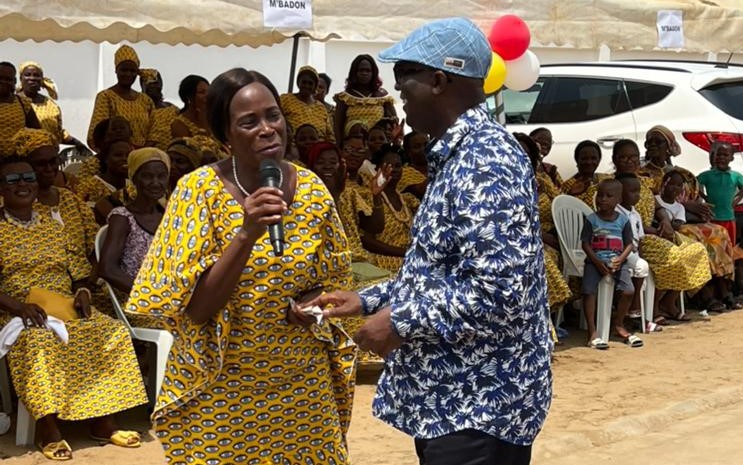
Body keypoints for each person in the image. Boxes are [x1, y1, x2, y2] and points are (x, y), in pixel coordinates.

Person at [308, 18, 551, 464]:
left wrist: (397, 319)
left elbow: (500, 291)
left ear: (440, 80)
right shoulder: (457, 154)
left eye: (406, 77)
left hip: (481, 402)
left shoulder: (486, 160)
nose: (398, 91)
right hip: (455, 398)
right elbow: (442, 271)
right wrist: (365, 300)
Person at [125, 68, 356, 464]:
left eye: (273, 115)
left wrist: (313, 304)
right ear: (225, 135)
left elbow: (333, 281)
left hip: (302, 382)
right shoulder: (198, 192)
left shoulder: (312, 188)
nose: (268, 129)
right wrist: (246, 233)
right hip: (224, 385)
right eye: (249, 122)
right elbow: (196, 310)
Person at [0, 156, 147, 460]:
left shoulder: (52, 224)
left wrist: (81, 290)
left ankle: (103, 421)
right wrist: (18, 306)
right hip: (17, 309)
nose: (23, 185)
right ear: (0, 187)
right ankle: (47, 428)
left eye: (27, 177)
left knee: (111, 332)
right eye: (12, 180)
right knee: (37, 341)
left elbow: (79, 269)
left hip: (61, 304)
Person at [581, 179, 639, 349]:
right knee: (588, 290)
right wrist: (597, 261)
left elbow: (629, 244)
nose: (603, 199)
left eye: (608, 196)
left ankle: (619, 324)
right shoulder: (591, 220)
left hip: (617, 262)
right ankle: (592, 331)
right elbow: (585, 243)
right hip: (595, 261)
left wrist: (621, 259)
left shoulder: (623, 221)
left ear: (619, 200)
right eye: (600, 195)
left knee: (629, 291)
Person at [360, 144, 419, 272]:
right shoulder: (368, 198)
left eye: (398, 166)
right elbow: (366, 240)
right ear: (378, 168)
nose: (395, 169)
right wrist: (402, 252)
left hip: (410, 258)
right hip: (385, 261)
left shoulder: (408, 199)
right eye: (389, 165)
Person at [86, 45, 153, 150]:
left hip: (142, 157)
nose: (128, 74)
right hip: (117, 157)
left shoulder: (146, 100)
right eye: (124, 70)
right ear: (116, 70)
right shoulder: (106, 97)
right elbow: (96, 134)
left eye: (132, 71)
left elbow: (153, 131)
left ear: (137, 73)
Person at [615, 173, 655, 332]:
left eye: (638, 191)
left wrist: (641, 254)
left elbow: (641, 239)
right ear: (620, 194)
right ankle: (635, 309)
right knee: (642, 267)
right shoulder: (616, 213)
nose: (637, 195)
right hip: (622, 251)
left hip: (634, 251)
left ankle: (637, 313)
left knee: (644, 269)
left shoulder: (636, 214)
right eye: (632, 191)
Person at [16, 61, 86, 150]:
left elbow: (58, 133)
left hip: (49, 157)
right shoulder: (14, 103)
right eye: (28, 74)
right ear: (20, 78)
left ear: (42, 80)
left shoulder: (51, 105)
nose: (32, 78)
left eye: (36, 75)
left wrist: (77, 143)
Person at [333, 54, 396, 144]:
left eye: (368, 70)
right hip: (354, 146)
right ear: (354, 72)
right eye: (361, 70)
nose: (364, 73)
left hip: (379, 144)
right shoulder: (345, 97)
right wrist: (339, 147)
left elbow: (393, 122)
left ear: (373, 73)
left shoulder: (383, 96)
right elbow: (337, 126)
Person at [280, 65, 334, 142]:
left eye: (310, 83)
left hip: (318, 148)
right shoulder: (286, 99)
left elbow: (329, 134)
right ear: (298, 83)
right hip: (293, 145)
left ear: (315, 86)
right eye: (304, 82)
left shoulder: (321, 107)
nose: (306, 86)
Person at [0, 61, 40, 156]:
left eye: (8, 79)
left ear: (14, 82)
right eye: (0, 78)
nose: (3, 81)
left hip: (17, 163)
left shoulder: (23, 103)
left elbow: (37, 134)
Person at [561, 140, 610, 206]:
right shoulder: (568, 186)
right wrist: (571, 194)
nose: (589, 162)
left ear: (599, 160)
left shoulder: (606, 179)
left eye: (593, 158)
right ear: (577, 160)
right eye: (584, 159)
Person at [141, 68, 179, 150]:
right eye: (148, 82)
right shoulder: (138, 111)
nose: (153, 86)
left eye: (156, 82)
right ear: (142, 86)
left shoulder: (172, 109)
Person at [170, 74, 211, 139]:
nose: (207, 96)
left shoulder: (213, 119)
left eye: (208, 92)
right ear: (189, 97)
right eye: (202, 92)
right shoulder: (179, 124)